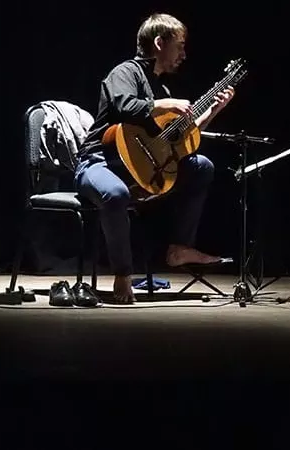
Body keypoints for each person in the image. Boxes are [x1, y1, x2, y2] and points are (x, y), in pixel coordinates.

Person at [75, 13, 235, 304]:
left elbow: (180, 141)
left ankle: (180, 247)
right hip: (98, 161)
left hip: (139, 167)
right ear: (159, 43)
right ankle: (123, 274)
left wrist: (213, 111)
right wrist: (163, 103)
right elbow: (123, 105)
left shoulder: (161, 87)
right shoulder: (126, 72)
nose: (184, 54)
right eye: (180, 46)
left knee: (200, 166)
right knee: (114, 194)